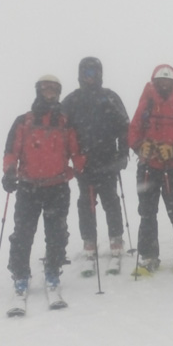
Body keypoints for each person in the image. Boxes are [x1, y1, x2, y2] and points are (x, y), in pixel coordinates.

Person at [2, 75, 86, 293]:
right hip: (28, 186)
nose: (49, 93)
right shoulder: (24, 121)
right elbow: (11, 150)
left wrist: (81, 168)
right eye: (45, 89)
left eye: (53, 89)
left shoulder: (66, 122)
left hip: (57, 186)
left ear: (58, 93)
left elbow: (76, 150)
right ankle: (20, 273)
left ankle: (53, 269)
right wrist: (10, 172)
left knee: (57, 232)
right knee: (23, 232)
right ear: (38, 91)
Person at [128, 64, 173, 275]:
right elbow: (133, 130)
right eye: (161, 82)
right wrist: (141, 147)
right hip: (148, 168)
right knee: (147, 214)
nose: (165, 85)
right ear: (155, 83)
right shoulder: (146, 104)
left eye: (168, 82)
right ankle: (149, 256)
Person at [61, 57, 130, 263]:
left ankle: (116, 237)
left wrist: (122, 153)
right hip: (83, 161)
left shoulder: (110, 97)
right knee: (86, 201)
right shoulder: (71, 100)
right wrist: (66, 158)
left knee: (111, 200)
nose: (90, 77)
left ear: (100, 74)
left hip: (108, 159)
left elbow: (125, 127)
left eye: (94, 72)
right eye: (86, 73)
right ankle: (89, 239)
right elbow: (61, 131)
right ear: (80, 74)